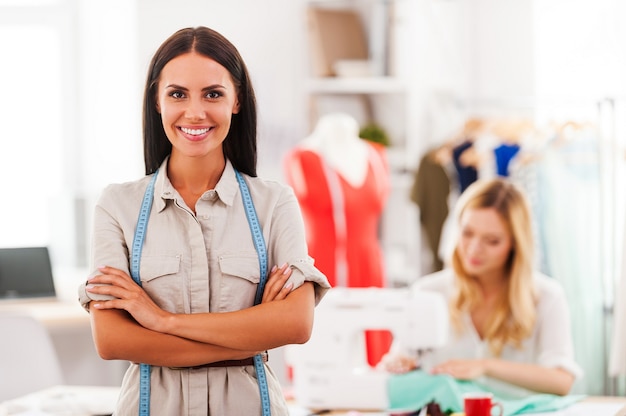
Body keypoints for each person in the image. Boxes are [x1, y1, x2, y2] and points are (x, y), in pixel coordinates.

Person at [77, 26, 330, 415]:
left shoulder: (274, 203)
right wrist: (251, 336)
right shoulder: (117, 206)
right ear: (158, 102)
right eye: (177, 94)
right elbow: (112, 340)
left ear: (237, 101)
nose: (195, 112)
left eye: (213, 94)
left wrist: (160, 320)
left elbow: (296, 324)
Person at [380, 177, 582, 398]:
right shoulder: (428, 292)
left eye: (492, 241)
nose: (474, 249)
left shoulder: (547, 297)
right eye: (467, 233)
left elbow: (562, 380)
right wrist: (396, 365)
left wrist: (486, 366)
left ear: (515, 243)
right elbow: (400, 360)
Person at [283, 112, 392, 367]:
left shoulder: (376, 156)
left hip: (369, 266)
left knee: (372, 359)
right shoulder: (302, 157)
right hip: (321, 268)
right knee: (324, 358)